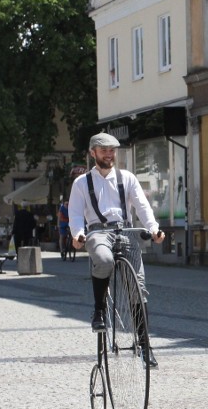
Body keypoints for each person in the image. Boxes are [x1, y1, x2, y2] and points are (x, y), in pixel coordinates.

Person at [68, 132, 165, 367]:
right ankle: (99, 310)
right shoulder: (82, 183)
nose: (109, 155)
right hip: (98, 232)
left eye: (112, 151)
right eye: (104, 151)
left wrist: (153, 228)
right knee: (103, 259)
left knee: (138, 290)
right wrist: (77, 234)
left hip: (126, 232)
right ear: (93, 153)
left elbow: (142, 206)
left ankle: (144, 345)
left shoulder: (127, 178)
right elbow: (75, 212)